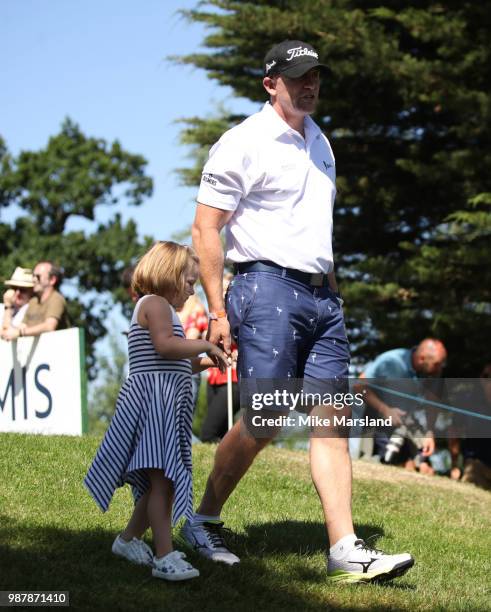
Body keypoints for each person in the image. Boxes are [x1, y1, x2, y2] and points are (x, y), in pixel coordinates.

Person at [182, 40, 414, 583]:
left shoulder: (321, 142)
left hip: (321, 296)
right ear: (271, 83)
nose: (309, 85)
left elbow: (316, 227)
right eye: (298, 77)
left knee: (332, 420)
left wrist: (332, 290)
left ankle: (344, 548)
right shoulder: (243, 141)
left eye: (315, 77)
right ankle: (204, 518)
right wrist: (217, 309)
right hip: (265, 288)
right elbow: (205, 228)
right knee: (267, 415)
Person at [84, 241, 228, 582]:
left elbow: (177, 358)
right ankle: (165, 555)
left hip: (164, 403)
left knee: (159, 483)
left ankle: (127, 540)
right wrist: (206, 342)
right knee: (163, 481)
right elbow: (165, 346)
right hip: (155, 405)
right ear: (169, 275)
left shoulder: (161, 309)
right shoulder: (156, 304)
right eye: (189, 282)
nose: (193, 290)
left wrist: (209, 358)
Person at [357, 338, 447, 470]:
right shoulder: (391, 360)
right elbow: (359, 386)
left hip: (406, 421)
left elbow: (432, 401)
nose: (440, 369)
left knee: (424, 464)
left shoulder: (431, 372)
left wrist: (429, 432)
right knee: (375, 464)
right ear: (422, 359)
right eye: (437, 364)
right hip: (378, 418)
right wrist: (385, 410)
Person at [2, 261, 68, 341]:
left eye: (38, 276)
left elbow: (49, 326)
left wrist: (20, 332)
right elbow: (19, 327)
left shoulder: (56, 298)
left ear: (52, 280)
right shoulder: (33, 302)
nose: (33, 279)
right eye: (33, 276)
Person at [177, 293, 209, 412]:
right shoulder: (170, 310)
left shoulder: (197, 310)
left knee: (183, 416)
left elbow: (191, 341)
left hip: (188, 370)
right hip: (171, 371)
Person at [1, 267, 34, 336]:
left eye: (23, 290)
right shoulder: (1, 307)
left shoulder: (30, 309)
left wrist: (8, 306)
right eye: (14, 288)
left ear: (31, 292)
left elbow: (6, 333)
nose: (17, 293)